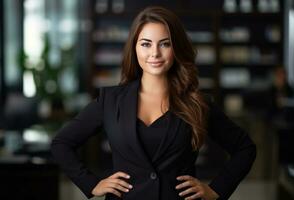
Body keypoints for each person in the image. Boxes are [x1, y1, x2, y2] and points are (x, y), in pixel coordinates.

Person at [51, 6, 256, 200]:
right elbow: (61, 144)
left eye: (165, 44)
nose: (155, 53)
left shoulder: (197, 103)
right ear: (135, 48)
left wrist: (216, 190)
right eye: (146, 44)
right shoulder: (110, 100)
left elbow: (245, 148)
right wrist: (92, 184)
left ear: (176, 48)